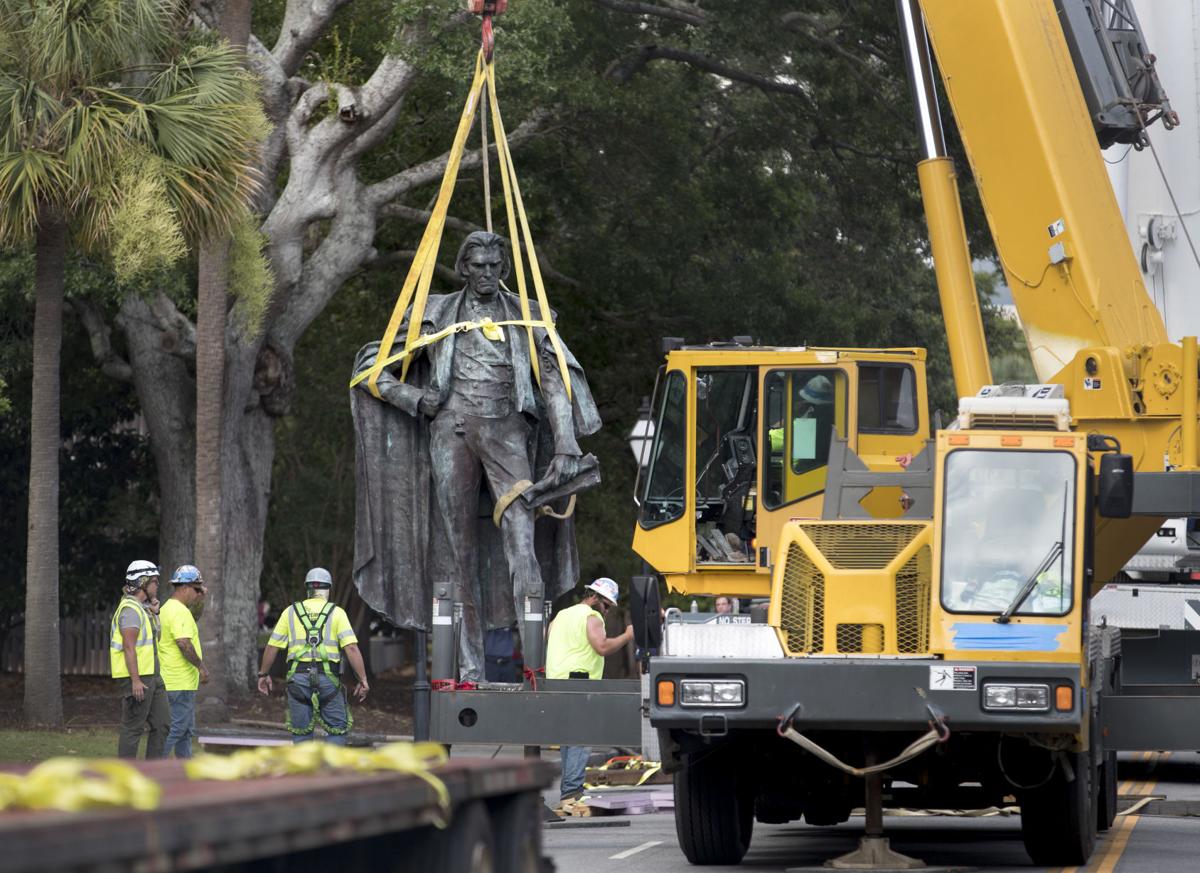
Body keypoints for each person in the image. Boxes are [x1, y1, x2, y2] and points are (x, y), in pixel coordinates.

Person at [352, 231, 602, 682]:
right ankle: (470, 667)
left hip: (508, 432)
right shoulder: (436, 313)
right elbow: (371, 369)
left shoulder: (526, 317)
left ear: (503, 268)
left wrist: (566, 442)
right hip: (452, 431)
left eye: (494, 265)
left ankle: (535, 667)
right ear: (464, 268)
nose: (487, 273)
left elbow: (555, 380)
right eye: (479, 265)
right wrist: (414, 398)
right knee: (457, 552)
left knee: (523, 547)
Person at [545, 577, 633, 807]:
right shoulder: (591, 617)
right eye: (606, 606)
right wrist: (627, 636)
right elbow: (601, 647)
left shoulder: (562, 615)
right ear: (594, 598)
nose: (606, 612)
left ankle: (569, 793)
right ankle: (572, 794)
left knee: (568, 740)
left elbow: (548, 638)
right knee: (581, 739)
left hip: (557, 682)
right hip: (579, 682)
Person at [257, 568, 369, 745]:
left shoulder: (290, 612)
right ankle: (330, 771)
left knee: (301, 732)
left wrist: (263, 674)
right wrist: (362, 679)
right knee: (337, 728)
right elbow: (352, 648)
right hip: (328, 679)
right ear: (328, 589)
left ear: (307, 589)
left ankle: (307, 771)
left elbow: (272, 647)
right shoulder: (337, 613)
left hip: (298, 679)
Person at [110, 560, 170, 759]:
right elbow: (129, 648)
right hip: (138, 678)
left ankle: (153, 772)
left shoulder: (143, 609)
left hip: (153, 675)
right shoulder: (130, 610)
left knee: (162, 724)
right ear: (143, 583)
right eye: (154, 581)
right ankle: (124, 777)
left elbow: (154, 638)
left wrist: (155, 612)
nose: (157, 585)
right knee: (133, 728)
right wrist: (135, 680)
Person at [158, 565, 210, 758]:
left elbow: (195, 615)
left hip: (176, 682)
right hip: (178, 683)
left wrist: (201, 597)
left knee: (185, 732)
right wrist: (201, 667)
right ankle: (152, 769)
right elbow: (183, 643)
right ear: (185, 588)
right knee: (175, 730)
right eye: (197, 590)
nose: (199, 594)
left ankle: (184, 770)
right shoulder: (179, 612)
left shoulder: (167, 609)